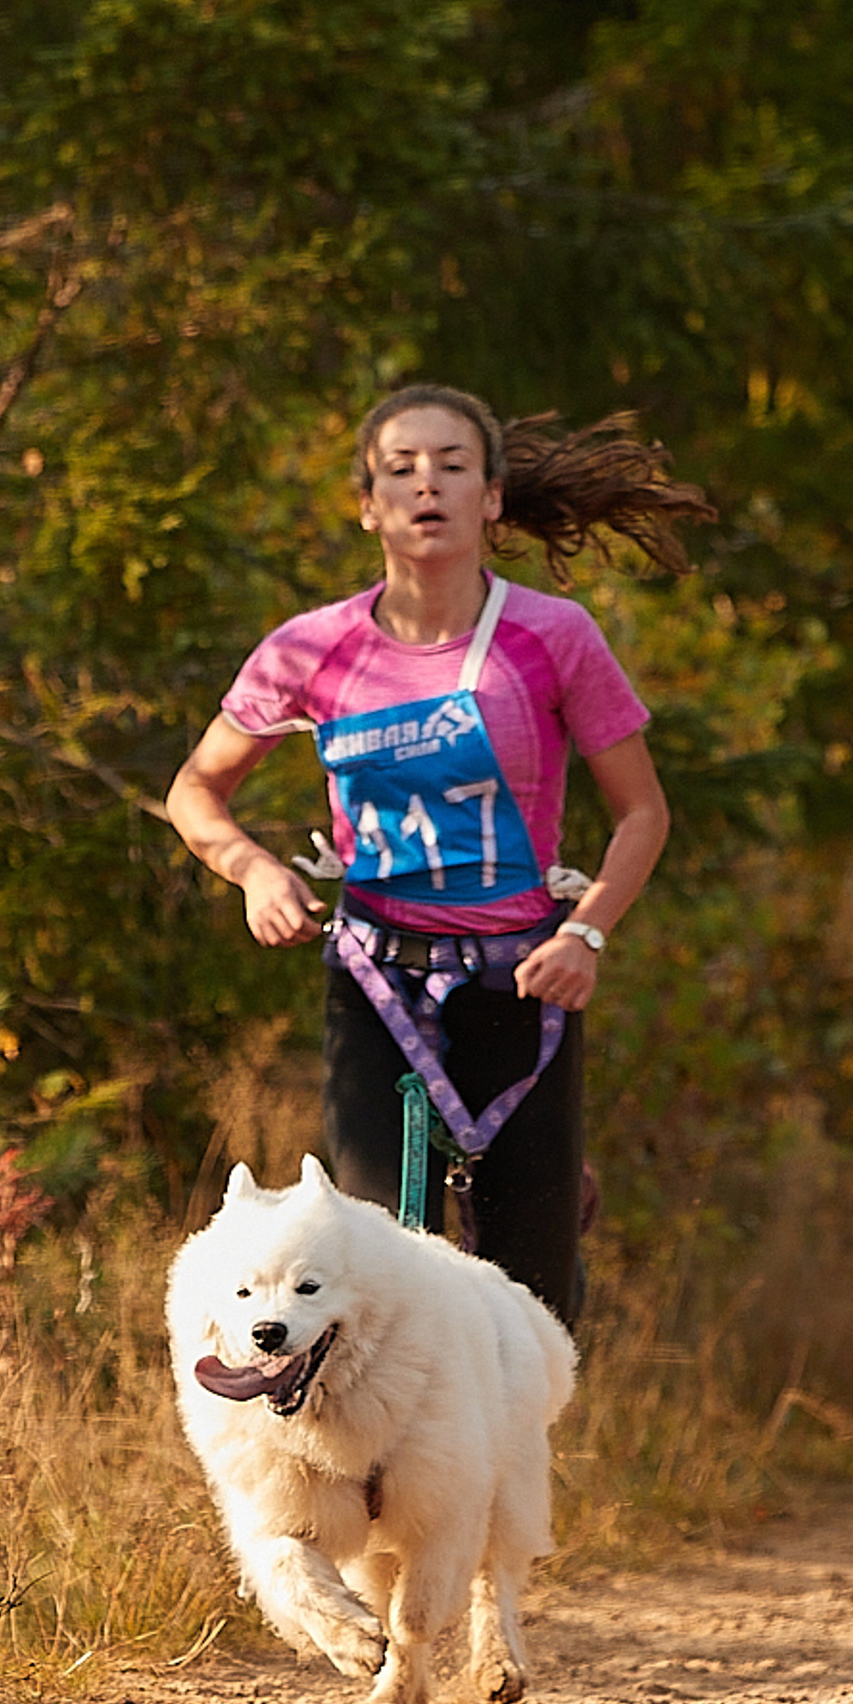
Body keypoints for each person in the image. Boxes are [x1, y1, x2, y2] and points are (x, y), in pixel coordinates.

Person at [167, 385, 710, 1327]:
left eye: (454, 466)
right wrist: (255, 869)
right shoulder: (311, 650)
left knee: (530, 1296)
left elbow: (643, 814)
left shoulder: (553, 636)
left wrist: (587, 935)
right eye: (401, 469)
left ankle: (508, 1455)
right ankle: (389, 1475)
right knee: (371, 1267)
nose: (429, 486)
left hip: (525, 986)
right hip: (378, 987)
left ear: (493, 499)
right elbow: (195, 791)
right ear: (368, 505)